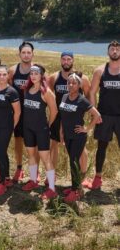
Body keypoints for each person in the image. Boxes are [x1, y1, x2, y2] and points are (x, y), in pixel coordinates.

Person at [48, 52, 91, 185]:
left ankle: (83, 176)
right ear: (60, 61)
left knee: (81, 149)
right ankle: (52, 175)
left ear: (73, 60)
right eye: (64, 59)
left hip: (74, 118)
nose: (66, 62)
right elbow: (49, 96)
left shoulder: (83, 78)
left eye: (69, 59)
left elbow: (88, 98)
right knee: (53, 145)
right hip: (59, 117)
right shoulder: (54, 77)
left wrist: (87, 122)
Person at [59, 72, 100, 203]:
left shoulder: (81, 100)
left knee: (73, 162)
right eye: (69, 82)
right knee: (72, 161)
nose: (71, 85)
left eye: (74, 83)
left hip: (78, 136)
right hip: (67, 135)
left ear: (79, 85)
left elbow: (97, 115)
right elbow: (63, 116)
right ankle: (75, 187)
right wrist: (61, 131)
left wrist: (86, 129)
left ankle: (75, 191)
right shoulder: (64, 97)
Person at [20, 65, 58, 199]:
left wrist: (48, 125)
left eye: (36, 73)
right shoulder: (27, 89)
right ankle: (33, 181)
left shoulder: (46, 92)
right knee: (31, 156)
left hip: (41, 129)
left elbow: (54, 111)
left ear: (41, 75)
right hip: (28, 128)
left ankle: (52, 188)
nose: (33, 75)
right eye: (31, 73)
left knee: (45, 158)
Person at [88, 40, 120, 190]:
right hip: (104, 115)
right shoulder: (100, 70)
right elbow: (92, 92)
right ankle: (97, 178)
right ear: (108, 52)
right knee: (101, 147)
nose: (115, 51)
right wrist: (94, 112)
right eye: (112, 49)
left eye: (117, 49)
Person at [0, 65, 21, 196]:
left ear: (8, 76)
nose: (1, 77)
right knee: (1, 152)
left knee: (0, 152)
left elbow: (17, 113)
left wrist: (11, 128)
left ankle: (2, 183)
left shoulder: (11, 92)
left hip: (6, 127)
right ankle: (7, 178)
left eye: (4, 74)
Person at [8, 41, 35, 183]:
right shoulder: (13, 71)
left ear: (32, 54)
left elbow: (46, 91)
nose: (26, 55)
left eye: (28, 52)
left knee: (33, 144)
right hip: (18, 113)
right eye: (23, 52)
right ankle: (19, 168)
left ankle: (34, 172)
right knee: (18, 140)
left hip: (33, 113)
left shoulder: (38, 71)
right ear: (19, 54)